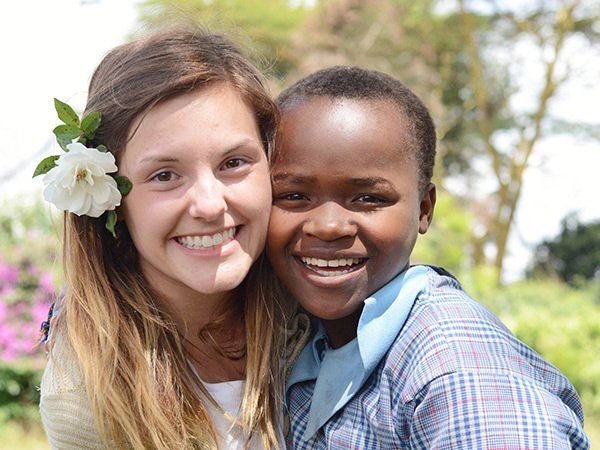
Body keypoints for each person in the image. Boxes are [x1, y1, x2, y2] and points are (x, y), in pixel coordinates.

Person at [267, 66, 590, 449]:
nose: (328, 225)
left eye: (368, 198)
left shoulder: (459, 372)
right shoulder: (301, 338)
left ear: (424, 209)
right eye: (292, 196)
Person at [39, 27, 291, 449]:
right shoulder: (85, 390)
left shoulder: (314, 317)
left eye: (233, 162)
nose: (209, 205)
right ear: (111, 200)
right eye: (164, 175)